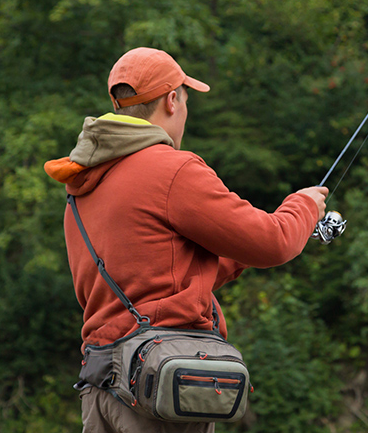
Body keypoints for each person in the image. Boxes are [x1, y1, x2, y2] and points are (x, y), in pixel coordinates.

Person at [44, 47, 327, 433]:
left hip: (101, 388)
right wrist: (304, 205)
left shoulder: (81, 185)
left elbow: (161, 274)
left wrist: (235, 252)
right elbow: (275, 241)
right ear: (172, 100)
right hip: (157, 394)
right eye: (186, 98)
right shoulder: (173, 169)